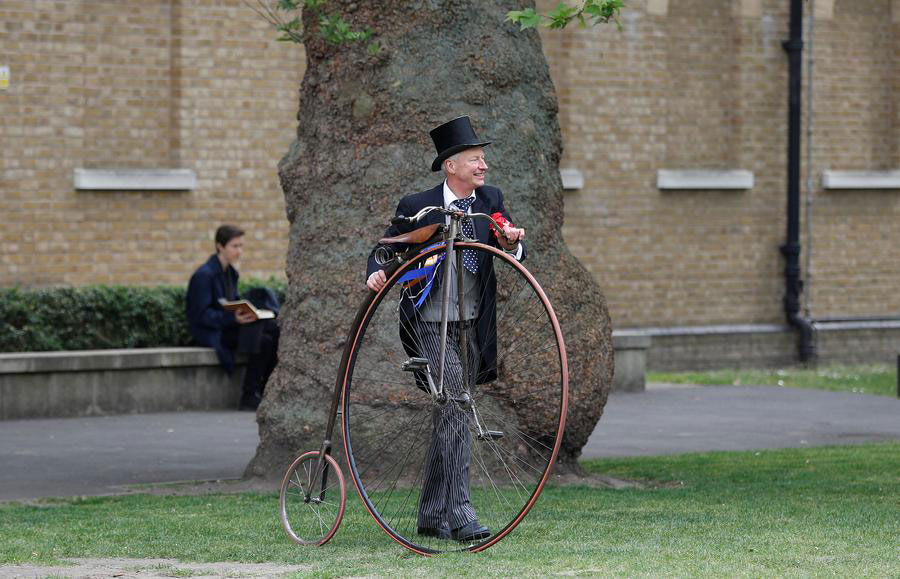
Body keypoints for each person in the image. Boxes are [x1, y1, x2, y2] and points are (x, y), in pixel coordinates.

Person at [365, 116, 526, 542]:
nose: (483, 166)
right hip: (430, 324)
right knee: (456, 406)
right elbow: (387, 247)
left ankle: (432, 515)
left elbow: (510, 242)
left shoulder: (490, 198)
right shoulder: (418, 204)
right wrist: (377, 273)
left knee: (449, 412)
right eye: (475, 159)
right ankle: (460, 512)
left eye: (483, 159)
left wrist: (511, 241)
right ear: (450, 166)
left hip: (471, 326)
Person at [186, 224, 279, 411]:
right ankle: (248, 395)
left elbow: (231, 304)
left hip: (227, 326)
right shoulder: (204, 276)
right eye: (235, 246)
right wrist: (233, 319)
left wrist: (246, 314)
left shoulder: (230, 273)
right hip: (212, 332)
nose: (239, 251)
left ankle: (263, 390)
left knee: (274, 330)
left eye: (241, 246)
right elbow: (201, 316)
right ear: (220, 246)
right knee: (263, 340)